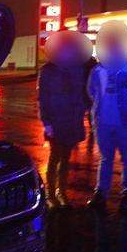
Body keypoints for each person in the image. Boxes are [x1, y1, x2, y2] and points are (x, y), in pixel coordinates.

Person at [86, 20, 127, 213]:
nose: (112, 47)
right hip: (104, 124)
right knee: (105, 159)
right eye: (109, 44)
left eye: (116, 44)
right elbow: (92, 93)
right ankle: (100, 194)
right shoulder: (97, 71)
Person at [38, 30, 93, 208]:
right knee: (55, 158)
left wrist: (83, 109)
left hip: (72, 119)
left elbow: (84, 92)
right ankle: (50, 194)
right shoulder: (48, 70)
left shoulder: (78, 69)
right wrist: (46, 122)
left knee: (66, 159)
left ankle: (62, 192)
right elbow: (43, 98)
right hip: (55, 120)